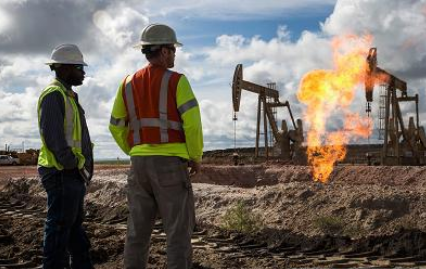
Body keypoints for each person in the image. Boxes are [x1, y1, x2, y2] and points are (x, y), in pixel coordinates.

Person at [109, 23, 203, 269]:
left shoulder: (127, 84)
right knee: (178, 233)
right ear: (163, 51)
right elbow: (192, 125)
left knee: (137, 232)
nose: (174, 54)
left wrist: (134, 151)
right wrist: (195, 156)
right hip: (170, 165)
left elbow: (115, 125)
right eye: (172, 49)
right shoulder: (177, 82)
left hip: (138, 167)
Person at [37, 44, 94, 269]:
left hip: (71, 175)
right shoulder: (54, 95)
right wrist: (72, 165)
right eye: (79, 67)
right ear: (64, 68)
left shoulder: (69, 95)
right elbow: (53, 137)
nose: (83, 71)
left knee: (72, 228)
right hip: (62, 173)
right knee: (60, 228)